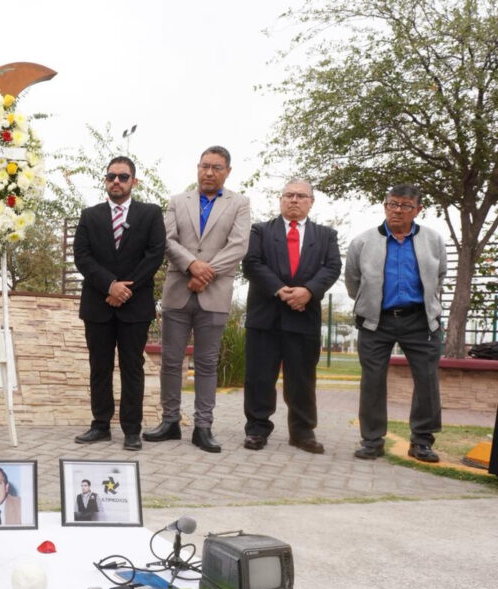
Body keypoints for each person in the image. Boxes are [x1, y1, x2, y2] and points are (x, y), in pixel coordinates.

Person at [144, 146, 250, 453]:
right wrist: (191, 265)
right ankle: (169, 422)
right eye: (205, 166)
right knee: (171, 361)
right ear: (197, 167)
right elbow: (166, 240)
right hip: (178, 289)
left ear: (227, 171)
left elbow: (239, 245)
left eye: (217, 167)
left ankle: (203, 426)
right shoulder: (177, 201)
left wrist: (205, 272)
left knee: (206, 363)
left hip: (214, 293)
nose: (209, 172)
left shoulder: (240, 204)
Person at [345, 184, 445, 462]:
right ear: (385, 205)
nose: (397, 210)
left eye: (405, 206)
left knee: (427, 381)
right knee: (372, 381)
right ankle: (372, 440)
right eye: (392, 204)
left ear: (418, 210)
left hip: (420, 321)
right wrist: (370, 303)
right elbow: (353, 281)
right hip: (376, 321)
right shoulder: (362, 242)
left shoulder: (433, 240)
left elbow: (439, 276)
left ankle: (422, 441)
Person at [72, 156, 166, 451]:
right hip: (98, 303)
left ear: (133, 182)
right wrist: (109, 285)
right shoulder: (90, 215)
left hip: (135, 305)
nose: (116, 181)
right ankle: (100, 425)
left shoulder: (150, 214)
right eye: (111, 176)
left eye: (123, 177)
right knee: (99, 367)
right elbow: (82, 256)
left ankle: (131, 429)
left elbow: (155, 254)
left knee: (132, 367)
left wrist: (126, 288)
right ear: (105, 180)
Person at [241, 179, 341, 454]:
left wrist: (308, 291)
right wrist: (279, 290)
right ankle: (257, 430)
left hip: (303, 317)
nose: (294, 200)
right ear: (280, 199)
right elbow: (251, 264)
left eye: (301, 196)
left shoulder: (326, 235)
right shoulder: (260, 230)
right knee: (260, 377)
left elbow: (332, 267)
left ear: (311, 201)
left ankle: (302, 432)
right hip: (265, 317)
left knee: (302, 378)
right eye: (289, 195)